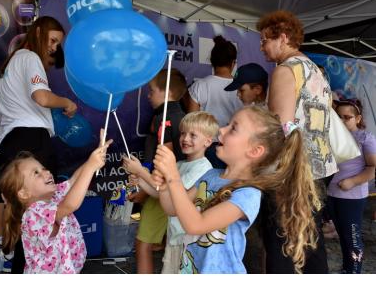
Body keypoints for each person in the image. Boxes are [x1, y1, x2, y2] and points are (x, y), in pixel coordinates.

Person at [151, 105, 321, 273]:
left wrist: (173, 178)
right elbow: (172, 209)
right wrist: (166, 186)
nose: (221, 130)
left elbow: (196, 224)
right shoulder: (210, 176)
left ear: (255, 151)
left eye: (233, 128)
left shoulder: (248, 193)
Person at [0, 16, 77, 273]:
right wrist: (66, 103)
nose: (53, 48)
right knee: (37, 202)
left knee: (7, 196)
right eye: (52, 40)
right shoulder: (29, 58)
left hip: (5, 138)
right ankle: (28, 262)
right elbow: (41, 96)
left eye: (57, 44)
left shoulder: (12, 63)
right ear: (38, 32)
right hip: (29, 137)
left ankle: (5, 252)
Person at [257, 10, 338, 273]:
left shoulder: (285, 70)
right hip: (319, 168)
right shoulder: (316, 71)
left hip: (290, 171)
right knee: (310, 238)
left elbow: (280, 127)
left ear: (282, 37)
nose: (262, 47)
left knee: (281, 242)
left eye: (264, 40)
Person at [0, 132, 112, 274]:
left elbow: (73, 181)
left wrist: (93, 159)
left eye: (44, 168)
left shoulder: (53, 195)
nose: (46, 173)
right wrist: (90, 168)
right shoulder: (33, 214)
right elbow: (70, 205)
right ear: (24, 193)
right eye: (36, 173)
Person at [123, 111, 217, 273]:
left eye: (193, 135)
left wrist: (141, 172)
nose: (185, 139)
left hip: (188, 238)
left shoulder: (203, 167)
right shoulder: (179, 164)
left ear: (208, 141)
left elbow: (176, 197)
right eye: (183, 133)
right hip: (175, 235)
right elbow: (161, 193)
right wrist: (140, 181)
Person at [123, 68, 187, 273]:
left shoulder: (163, 118)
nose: (148, 96)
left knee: (143, 243)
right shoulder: (183, 116)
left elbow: (164, 163)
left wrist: (144, 186)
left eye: (151, 91)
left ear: (167, 92)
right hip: (177, 190)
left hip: (161, 189)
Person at [327, 99, 376, 273]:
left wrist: (352, 181)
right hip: (332, 194)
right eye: (338, 117)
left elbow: (373, 168)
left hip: (352, 197)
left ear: (358, 118)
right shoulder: (331, 136)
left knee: (353, 239)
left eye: (346, 117)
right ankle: (347, 269)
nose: (341, 121)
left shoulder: (365, 138)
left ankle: (355, 271)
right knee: (343, 236)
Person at [185, 35, 243, 168]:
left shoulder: (200, 85)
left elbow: (191, 123)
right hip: (235, 146)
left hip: (206, 146)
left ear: (212, 61)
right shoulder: (242, 88)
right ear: (233, 63)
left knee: (205, 187)